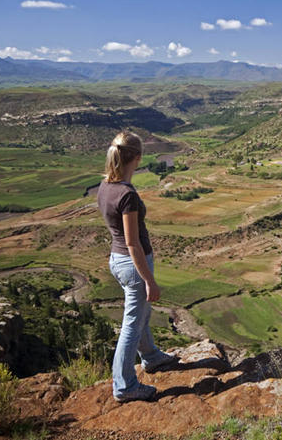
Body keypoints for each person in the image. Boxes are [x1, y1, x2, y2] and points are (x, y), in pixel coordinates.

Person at [97, 131, 176, 402]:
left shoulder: (105, 186)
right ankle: (124, 385)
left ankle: (151, 357)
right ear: (138, 158)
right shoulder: (127, 194)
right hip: (133, 264)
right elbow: (133, 243)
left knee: (140, 314)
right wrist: (149, 280)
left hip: (116, 260)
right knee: (132, 323)